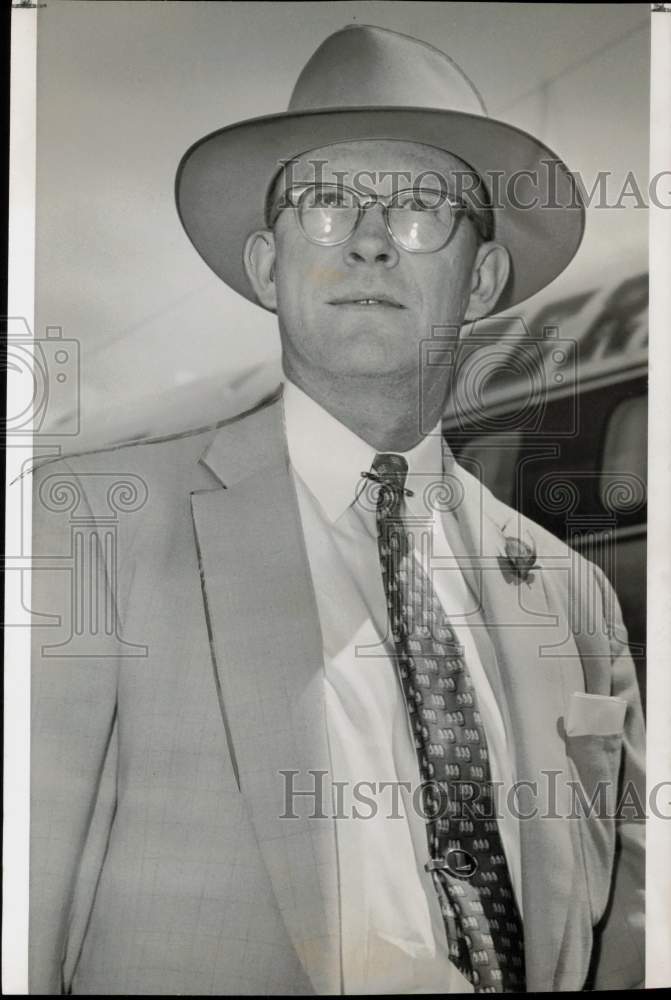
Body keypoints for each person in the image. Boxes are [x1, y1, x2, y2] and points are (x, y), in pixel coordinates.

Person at [30, 24, 645, 995]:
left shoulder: (571, 596)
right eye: (326, 203)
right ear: (269, 265)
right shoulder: (90, 526)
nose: (366, 238)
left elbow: (632, 927)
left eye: (418, 208)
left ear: (480, 278)